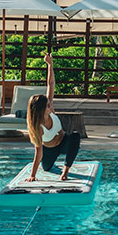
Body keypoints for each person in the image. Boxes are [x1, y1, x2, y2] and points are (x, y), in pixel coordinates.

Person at [26, 52, 81, 182]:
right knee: (46, 168)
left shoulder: (50, 110)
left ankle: (65, 172)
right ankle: (51, 164)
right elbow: (38, 152)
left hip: (63, 142)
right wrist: (33, 175)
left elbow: (50, 85)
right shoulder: (37, 127)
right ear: (40, 110)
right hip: (49, 150)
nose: (50, 106)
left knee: (75, 137)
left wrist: (50, 65)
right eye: (47, 105)